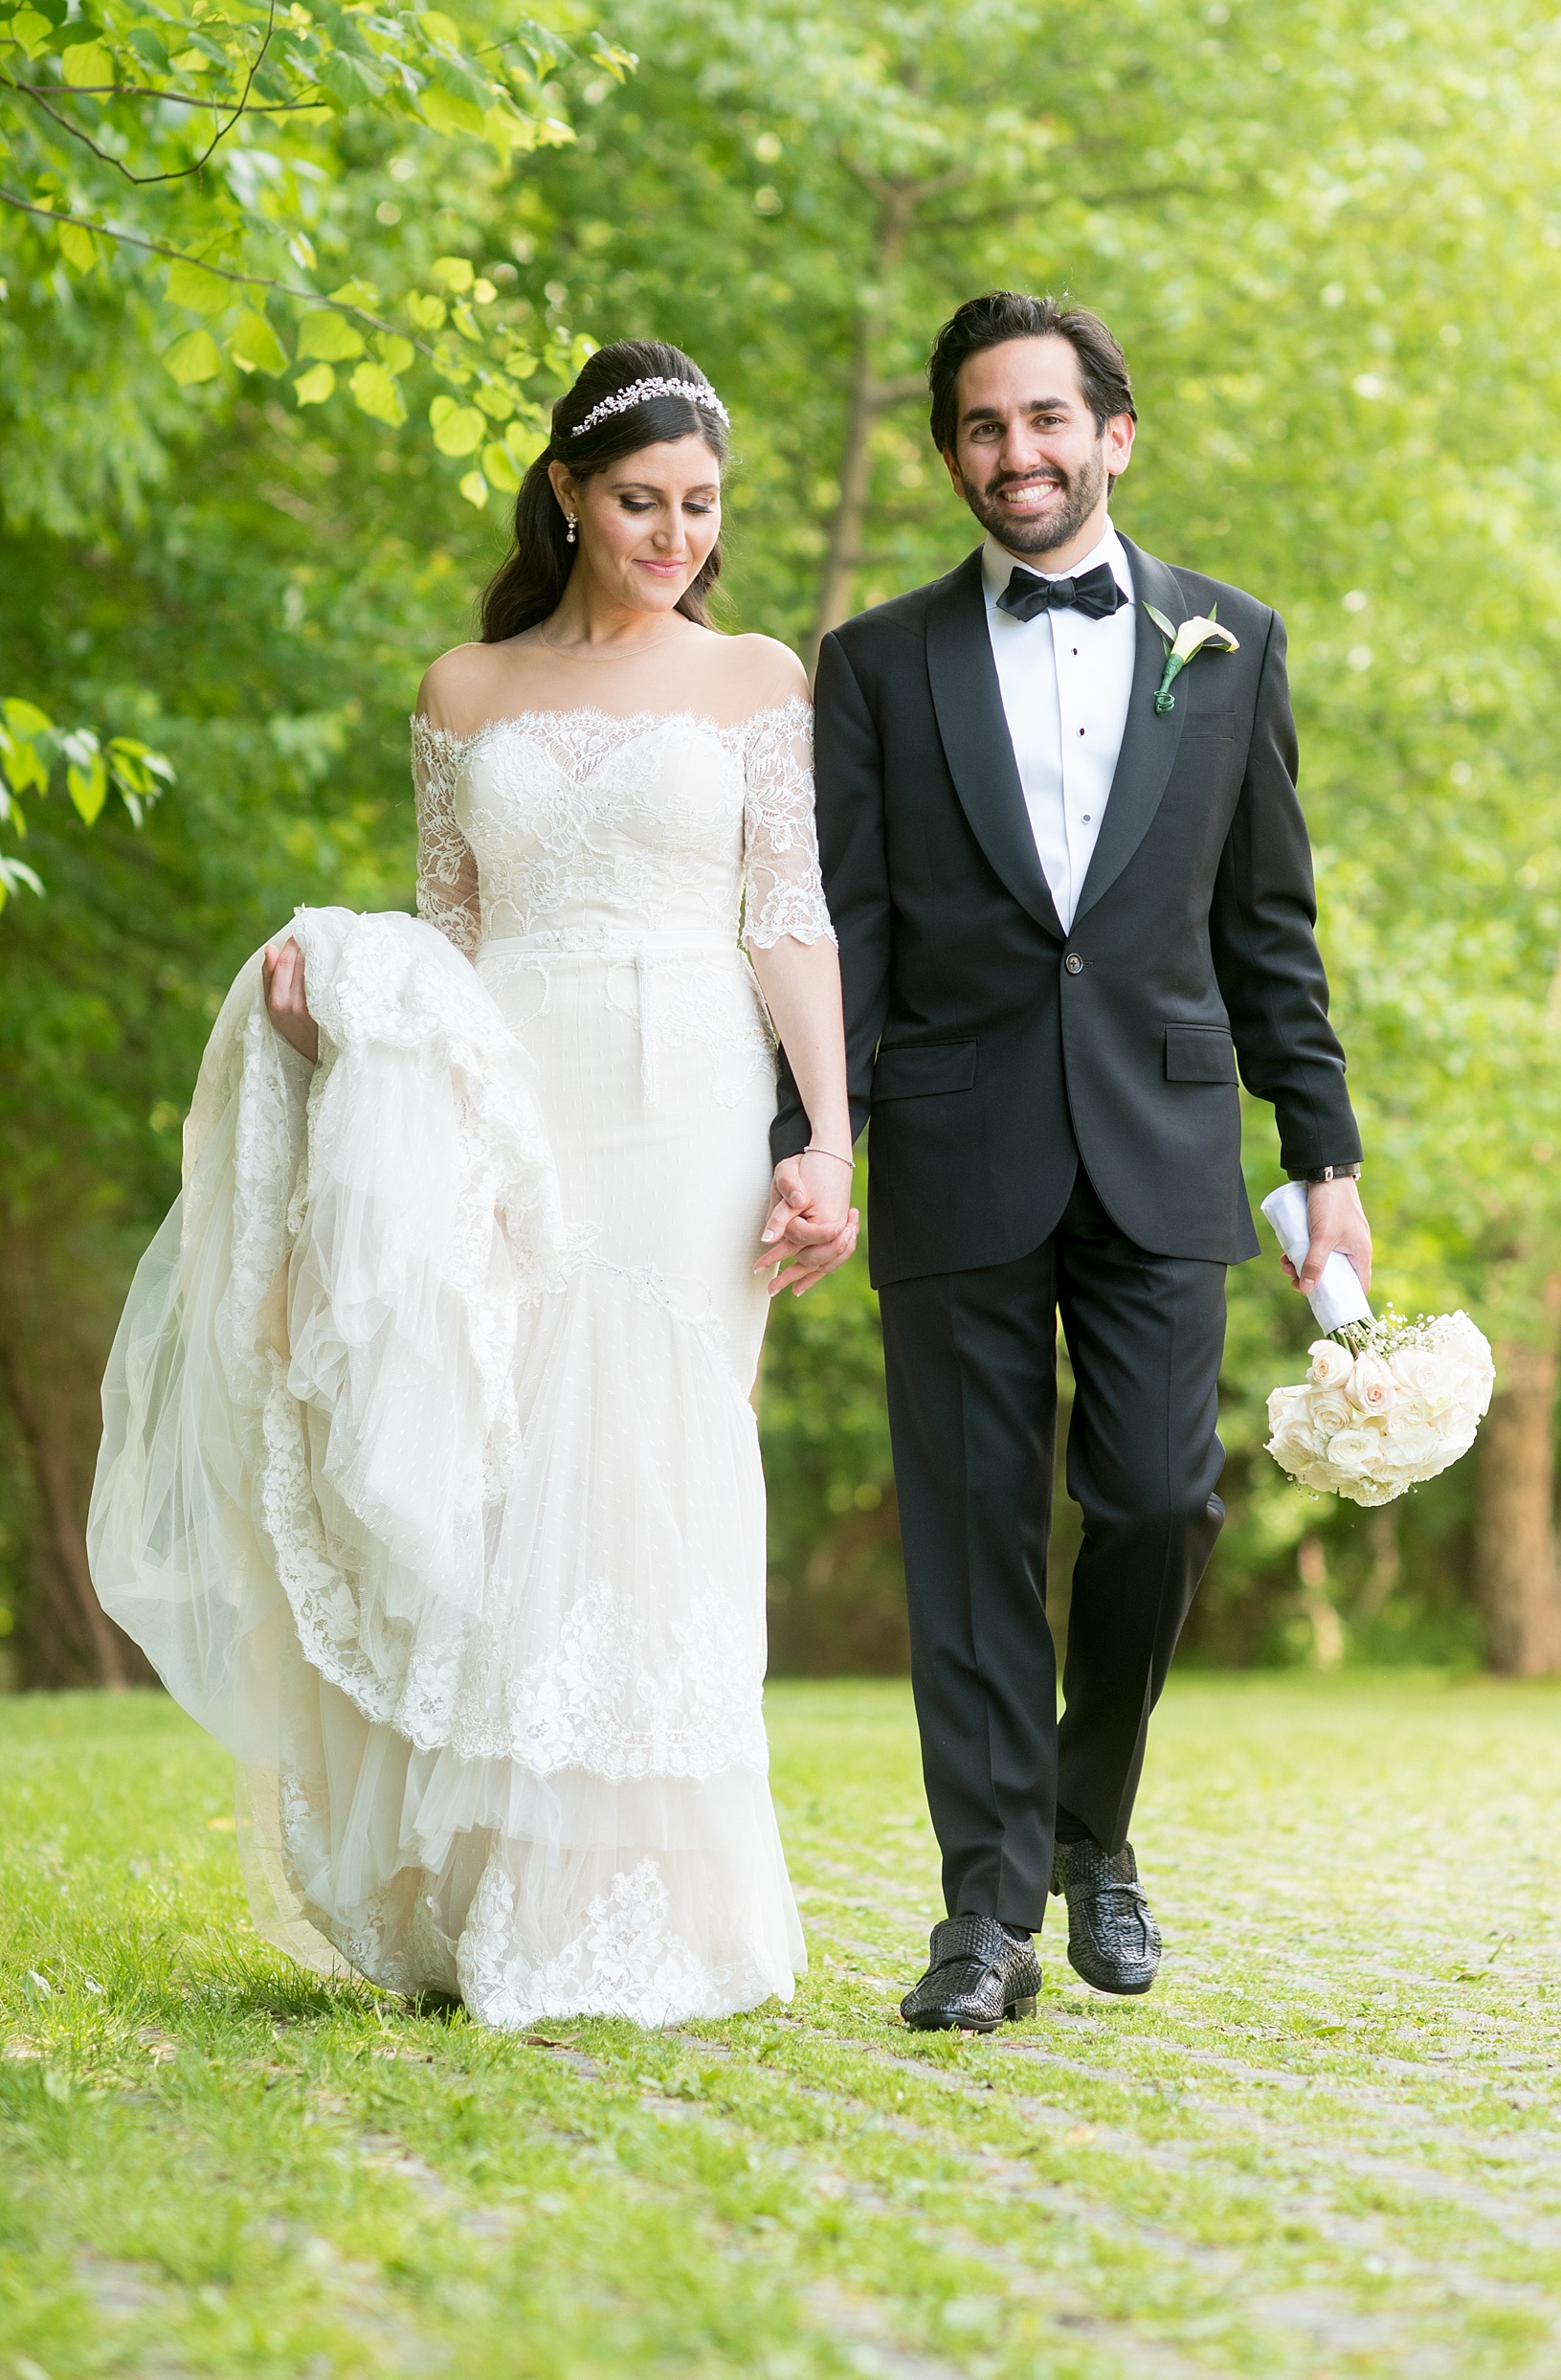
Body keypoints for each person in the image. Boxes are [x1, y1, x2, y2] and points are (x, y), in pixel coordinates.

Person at [89, 340, 858, 2028]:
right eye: (643, 503)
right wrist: (342, 1014)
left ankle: (663, 1900)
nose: (675, 536)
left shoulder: (753, 683)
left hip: (692, 1089)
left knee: (660, 1444)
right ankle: (497, 1895)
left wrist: (829, 1131)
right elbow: (447, 938)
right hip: (513, 1088)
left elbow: (785, 913)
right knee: (503, 1450)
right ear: (570, 496)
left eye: (702, 508)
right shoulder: (464, 691)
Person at [772, 293, 1371, 2032]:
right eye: (979, 426)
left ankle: (1085, 1825)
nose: (1013, 454)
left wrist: (1318, 1148)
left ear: (1116, 433)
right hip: (957, 1142)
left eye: (1044, 420)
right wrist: (821, 1140)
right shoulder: (875, 665)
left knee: (1162, 1502)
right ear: (951, 449)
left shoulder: (1229, 640)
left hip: (1168, 1136)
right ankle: (984, 1920)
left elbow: (1271, 928)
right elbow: (852, 932)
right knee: (966, 1542)